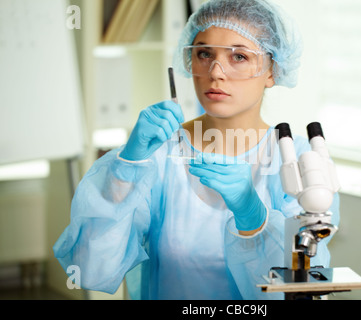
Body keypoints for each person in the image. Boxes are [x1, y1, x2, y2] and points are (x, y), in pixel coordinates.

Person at [53, 0, 340, 300]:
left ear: (272, 70)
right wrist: (127, 166)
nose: (216, 72)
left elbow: (306, 290)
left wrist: (254, 218)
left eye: (239, 56)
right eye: (204, 53)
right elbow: (92, 268)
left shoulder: (298, 160)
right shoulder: (159, 155)